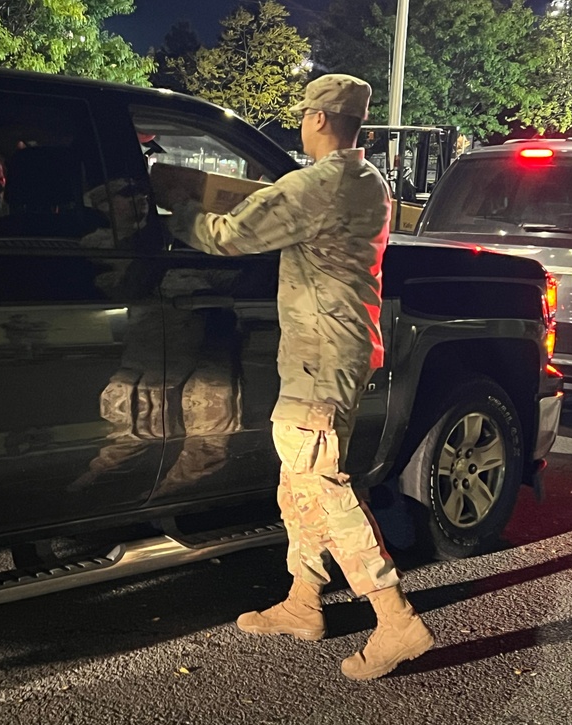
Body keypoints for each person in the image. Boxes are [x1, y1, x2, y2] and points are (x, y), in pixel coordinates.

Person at [154, 74, 434, 681]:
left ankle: (395, 618)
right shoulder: (364, 179)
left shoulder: (319, 184)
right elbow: (276, 205)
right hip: (337, 349)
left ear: (316, 119)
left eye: (304, 115)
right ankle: (303, 605)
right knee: (298, 483)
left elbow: (228, 235)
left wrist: (174, 210)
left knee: (323, 485)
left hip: (320, 357)